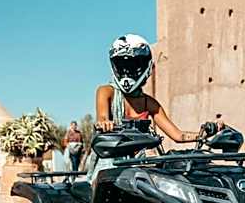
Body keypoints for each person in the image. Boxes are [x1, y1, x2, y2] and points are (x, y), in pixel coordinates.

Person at [87, 34, 221, 180]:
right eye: (122, 66)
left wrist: (205, 133)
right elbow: (103, 118)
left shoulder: (149, 103)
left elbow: (177, 135)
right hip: (112, 163)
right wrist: (105, 124)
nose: (127, 71)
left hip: (139, 164)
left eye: (133, 65)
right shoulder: (106, 92)